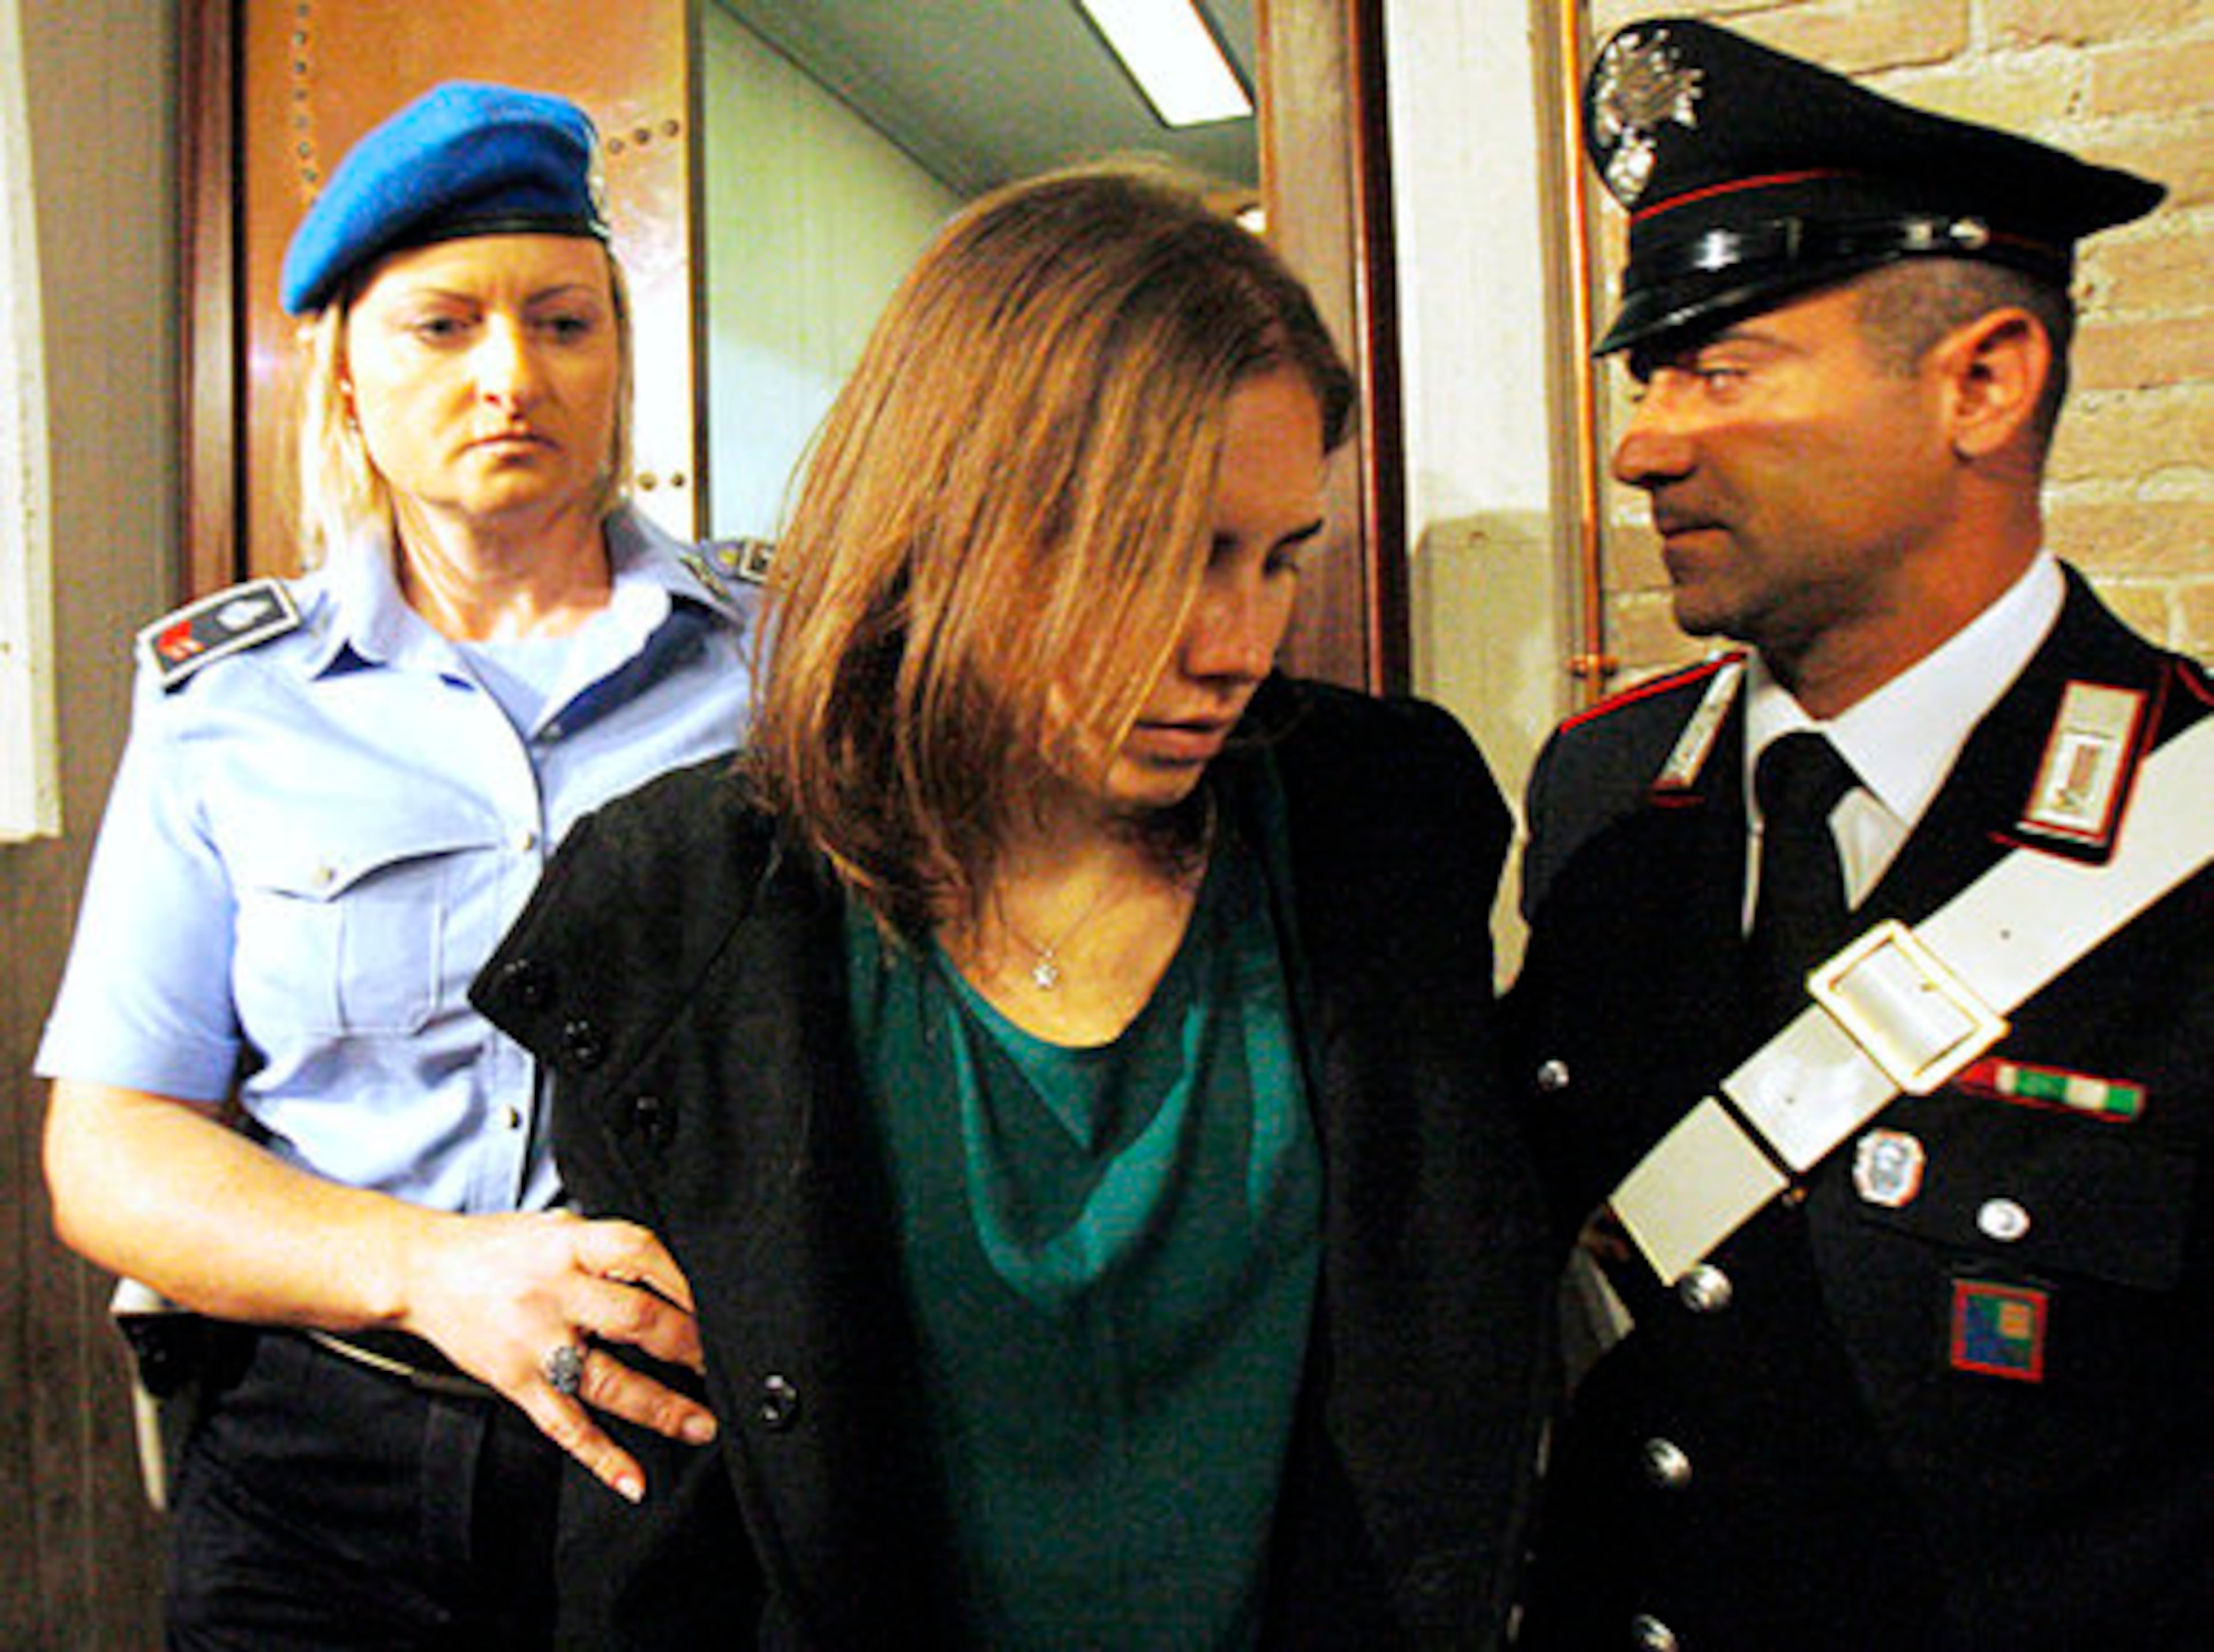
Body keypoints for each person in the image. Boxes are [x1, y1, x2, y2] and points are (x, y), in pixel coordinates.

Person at [470, 163, 1556, 1647]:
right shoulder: (690, 907)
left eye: (1277, 559)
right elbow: (667, 1517)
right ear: (956, 518)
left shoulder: (1379, 829)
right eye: (1162, 553)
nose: (1235, 641)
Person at [1508, 16, 2212, 1650]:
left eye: (1721, 368)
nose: (1643, 443)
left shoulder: (2188, 825)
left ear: (1982, 382)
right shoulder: (1606, 792)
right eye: (1648, 373)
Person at [37, 81, 758, 1646]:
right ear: (347, 376)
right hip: (323, 1472)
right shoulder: (228, 702)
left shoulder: (773, 669)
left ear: (618, 359)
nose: (513, 375)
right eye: (443, 326)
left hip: (689, 1447)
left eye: (563, 323)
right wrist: (428, 1268)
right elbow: (112, 1145)